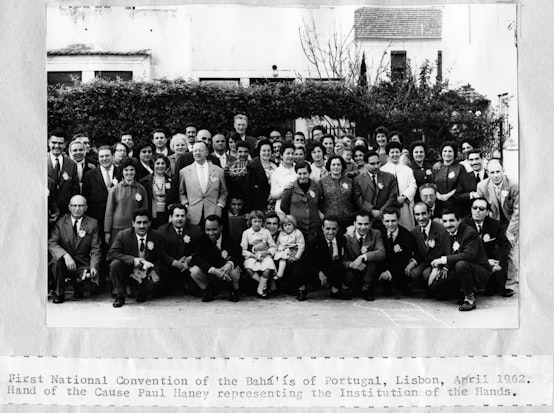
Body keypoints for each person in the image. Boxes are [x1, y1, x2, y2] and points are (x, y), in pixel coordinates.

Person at [429, 208, 491, 311]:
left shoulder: (470, 233)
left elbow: (469, 255)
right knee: (436, 284)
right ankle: (462, 291)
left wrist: (443, 260)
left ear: (459, 220)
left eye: (451, 220)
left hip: (478, 271)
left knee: (461, 265)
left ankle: (469, 299)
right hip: (456, 268)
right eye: (445, 221)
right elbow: (442, 253)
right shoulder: (444, 233)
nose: (448, 224)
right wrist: (438, 268)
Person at [107, 209, 166, 307]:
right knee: (115, 264)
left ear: (150, 223)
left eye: (145, 222)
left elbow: (160, 257)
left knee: (155, 284)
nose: (142, 226)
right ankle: (120, 295)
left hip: (146, 271)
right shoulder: (123, 235)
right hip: (128, 269)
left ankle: (140, 291)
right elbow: (111, 254)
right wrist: (133, 260)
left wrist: (155, 270)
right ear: (133, 223)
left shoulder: (157, 236)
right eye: (138, 222)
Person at [82, 145, 122, 290]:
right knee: (99, 248)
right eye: (101, 156)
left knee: (115, 247)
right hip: (97, 218)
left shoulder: (121, 172)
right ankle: (99, 283)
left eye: (107, 155)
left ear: (112, 156)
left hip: (117, 217)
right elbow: (86, 197)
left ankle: (116, 283)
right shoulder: (90, 175)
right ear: (98, 158)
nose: (104, 158)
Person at [48, 195, 101, 303]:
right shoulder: (60, 222)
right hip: (64, 263)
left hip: (82, 263)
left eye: (81, 206)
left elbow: (95, 248)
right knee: (56, 262)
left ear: (86, 208)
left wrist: (93, 266)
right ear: (69, 207)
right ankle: (59, 293)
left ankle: (79, 285)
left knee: (89, 284)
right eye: (74, 205)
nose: (77, 209)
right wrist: (65, 255)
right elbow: (52, 243)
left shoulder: (92, 223)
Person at [476, 158, 519, 289]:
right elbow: (481, 207)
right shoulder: (482, 186)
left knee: (511, 249)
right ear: (487, 173)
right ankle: (492, 282)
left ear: (503, 171)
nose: (495, 176)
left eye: (498, 172)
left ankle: (510, 284)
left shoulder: (513, 185)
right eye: (492, 172)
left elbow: (518, 210)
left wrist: (510, 232)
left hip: (510, 220)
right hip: (493, 221)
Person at [462, 197, 513, 297]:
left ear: (487, 212)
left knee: (490, 292)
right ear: (471, 209)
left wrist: (499, 262)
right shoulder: (463, 225)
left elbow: (505, 245)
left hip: (490, 260)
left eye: (481, 209)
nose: (477, 211)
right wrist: (484, 261)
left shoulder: (495, 224)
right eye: (475, 208)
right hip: (472, 259)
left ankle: (500, 287)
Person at [189, 215, 241, 302]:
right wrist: (213, 270)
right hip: (210, 270)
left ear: (220, 227)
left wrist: (229, 264)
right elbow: (197, 257)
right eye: (208, 230)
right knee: (194, 271)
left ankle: (233, 290)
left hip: (225, 269)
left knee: (235, 271)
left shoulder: (229, 238)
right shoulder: (201, 238)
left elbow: (238, 255)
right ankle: (207, 289)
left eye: (214, 229)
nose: (211, 233)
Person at [297, 216, 347, 300]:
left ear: (338, 228)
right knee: (299, 269)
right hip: (315, 270)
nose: (331, 232)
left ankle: (335, 291)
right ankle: (302, 291)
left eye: (334, 229)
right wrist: (319, 272)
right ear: (322, 228)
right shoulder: (314, 240)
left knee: (339, 267)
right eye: (328, 228)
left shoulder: (341, 239)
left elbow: (340, 259)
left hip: (331, 268)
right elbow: (304, 262)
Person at [178, 141, 227, 226]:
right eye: (195, 150)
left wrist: (219, 205)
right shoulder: (184, 172)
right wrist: (186, 205)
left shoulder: (218, 171)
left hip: (213, 213)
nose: (197, 153)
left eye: (200, 150)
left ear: (207, 152)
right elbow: (181, 192)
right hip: (193, 213)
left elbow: (224, 192)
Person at [158, 203, 203, 295]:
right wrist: (174, 262)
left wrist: (190, 258)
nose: (180, 219)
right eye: (177, 216)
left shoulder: (195, 230)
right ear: (171, 217)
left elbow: (199, 249)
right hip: (171, 267)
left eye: (182, 216)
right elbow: (161, 252)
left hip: (188, 266)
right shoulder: (162, 231)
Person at [342, 210, 386, 301]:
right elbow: (342, 260)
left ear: (370, 224)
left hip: (369, 273)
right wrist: (352, 264)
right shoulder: (346, 237)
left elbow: (382, 252)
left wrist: (362, 257)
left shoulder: (375, 233)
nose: (363, 227)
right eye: (360, 224)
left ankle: (366, 289)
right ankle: (351, 289)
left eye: (366, 224)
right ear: (354, 223)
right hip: (353, 272)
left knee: (373, 259)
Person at [104, 157, 148, 244]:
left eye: (132, 170)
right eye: (126, 170)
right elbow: (109, 212)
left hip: (135, 227)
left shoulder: (141, 189)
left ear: (136, 171)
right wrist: (107, 232)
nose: (129, 173)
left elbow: (145, 210)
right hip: (117, 228)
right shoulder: (115, 189)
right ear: (122, 171)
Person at [409, 202, 451, 288]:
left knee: (426, 274)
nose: (420, 218)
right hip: (426, 262)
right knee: (414, 273)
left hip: (440, 262)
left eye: (423, 213)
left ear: (429, 213)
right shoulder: (414, 232)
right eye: (417, 214)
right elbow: (418, 252)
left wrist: (441, 267)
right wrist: (413, 262)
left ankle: (435, 289)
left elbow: (448, 252)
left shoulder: (441, 229)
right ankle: (427, 288)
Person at [378, 207, 417, 296]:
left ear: (398, 220)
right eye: (387, 221)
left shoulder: (407, 236)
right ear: (382, 221)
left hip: (399, 268)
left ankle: (401, 284)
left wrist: (390, 272)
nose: (390, 224)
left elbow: (405, 259)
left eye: (393, 221)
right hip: (383, 266)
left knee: (404, 290)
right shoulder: (379, 233)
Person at [353, 151, 398, 227]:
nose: (376, 166)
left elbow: (392, 196)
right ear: (365, 164)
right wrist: (371, 210)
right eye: (372, 164)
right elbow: (358, 199)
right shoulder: (358, 180)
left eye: (378, 163)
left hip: (386, 218)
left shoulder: (390, 177)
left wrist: (381, 211)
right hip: (367, 219)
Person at [380, 142, 417, 230]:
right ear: (388, 154)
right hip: (388, 204)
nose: (395, 155)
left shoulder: (407, 170)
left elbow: (413, 185)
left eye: (397, 152)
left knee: (406, 227)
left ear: (400, 153)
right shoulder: (382, 170)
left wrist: (404, 197)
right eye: (392, 152)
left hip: (403, 204)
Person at [281, 161, 322, 237]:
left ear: (309, 173)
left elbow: (320, 203)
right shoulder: (291, 187)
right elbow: (283, 206)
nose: (302, 176)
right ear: (296, 173)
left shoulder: (316, 187)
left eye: (305, 173)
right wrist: (295, 213)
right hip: (297, 228)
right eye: (299, 174)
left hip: (314, 227)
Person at [240, 210, 277, 298]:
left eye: (259, 221)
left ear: (262, 222)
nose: (257, 224)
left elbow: (273, 247)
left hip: (264, 255)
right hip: (252, 256)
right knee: (248, 268)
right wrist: (254, 254)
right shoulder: (246, 233)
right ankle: (263, 284)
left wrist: (266, 252)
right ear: (250, 222)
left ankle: (260, 289)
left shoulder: (266, 232)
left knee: (267, 269)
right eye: (255, 221)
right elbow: (243, 250)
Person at [318, 155, 356, 234]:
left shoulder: (350, 181)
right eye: (333, 165)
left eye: (338, 164)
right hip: (330, 222)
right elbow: (317, 200)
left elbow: (355, 200)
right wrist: (320, 214)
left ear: (342, 166)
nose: (336, 167)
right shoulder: (322, 182)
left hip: (348, 220)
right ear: (329, 166)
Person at [47, 130, 80, 215]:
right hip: (45, 212)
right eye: (54, 142)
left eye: (60, 143)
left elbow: (75, 190)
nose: (57, 146)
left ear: (65, 144)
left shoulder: (72, 164)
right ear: (48, 143)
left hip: (65, 213)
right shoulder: (40, 162)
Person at [139, 153, 174, 229]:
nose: (160, 166)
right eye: (157, 163)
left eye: (163, 163)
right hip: (151, 215)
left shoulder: (171, 181)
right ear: (153, 165)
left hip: (166, 216)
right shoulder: (144, 181)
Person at [246, 139, 277, 213]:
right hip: (258, 205)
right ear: (259, 151)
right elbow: (248, 188)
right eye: (264, 150)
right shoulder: (252, 166)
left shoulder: (275, 166)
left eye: (269, 150)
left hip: (274, 203)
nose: (266, 153)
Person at [455, 149, 488, 217]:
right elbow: (457, 197)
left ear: (482, 159)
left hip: (488, 215)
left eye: (476, 159)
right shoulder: (464, 177)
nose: (474, 162)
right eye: (471, 160)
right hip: (469, 217)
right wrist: (472, 195)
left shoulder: (490, 175)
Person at [434, 141, 462, 217]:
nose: (447, 153)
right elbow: (432, 183)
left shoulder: (459, 167)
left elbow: (460, 185)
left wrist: (447, 195)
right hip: (439, 203)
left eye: (450, 151)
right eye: (445, 151)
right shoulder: (436, 167)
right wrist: (438, 195)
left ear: (454, 153)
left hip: (455, 203)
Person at [274, 215, 305, 280]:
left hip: (291, 250)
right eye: (285, 225)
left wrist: (296, 257)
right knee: (276, 259)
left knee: (283, 259)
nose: (287, 227)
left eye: (289, 224)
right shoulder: (282, 233)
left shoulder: (297, 233)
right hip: (281, 249)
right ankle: (275, 272)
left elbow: (301, 246)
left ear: (293, 224)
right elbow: (278, 242)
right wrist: (275, 249)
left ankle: (279, 274)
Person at [270, 142, 297, 217]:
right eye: (288, 153)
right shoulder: (276, 172)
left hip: (298, 208)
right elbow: (273, 195)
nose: (290, 156)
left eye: (292, 153)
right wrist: (284, 188)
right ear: (281, 155)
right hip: (281, 210)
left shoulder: (299, 168)